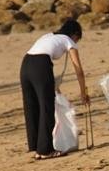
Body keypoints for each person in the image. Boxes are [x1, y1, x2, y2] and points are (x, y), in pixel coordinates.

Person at [20, 20, 89, 159]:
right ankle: (45, 150)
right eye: (77, 38)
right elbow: (78, 69)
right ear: (75, 34)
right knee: (46, 108)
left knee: (32, 106)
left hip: (26, 64)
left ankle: (36, 147)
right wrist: (84, 92)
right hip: (41, 65)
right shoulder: (68, 40)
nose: (76, 42)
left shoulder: (49, 36)